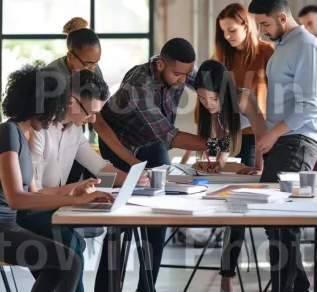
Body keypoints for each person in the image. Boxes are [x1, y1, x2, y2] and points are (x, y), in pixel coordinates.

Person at [0, 63, 115, 292]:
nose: (54, 115)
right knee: (70, 261)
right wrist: (75, 201)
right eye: (53, 108)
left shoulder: (20, 134)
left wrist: (74, 190)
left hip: (6, 227)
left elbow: (36, 193)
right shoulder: (6, 133)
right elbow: (17, 199)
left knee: (61, 263)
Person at [96, 38, 230, 292]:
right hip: (119, 147)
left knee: (158, 214)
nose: (183, 80)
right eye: (177, 74)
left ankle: (147, 287)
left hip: (152, 143)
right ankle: (105, 288)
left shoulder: (181, 70)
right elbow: (169, 135)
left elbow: (206, 84)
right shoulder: (139, 86)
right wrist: (217, 144)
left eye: (186, 74)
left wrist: (220, 104)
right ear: (160, 65)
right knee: (119, 221)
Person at [16, 70, 147, 292]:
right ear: (71, 102)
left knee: (71, 248)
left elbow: (100, 167)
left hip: (55, 207)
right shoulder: (39, 130)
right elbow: (34, 192)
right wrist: (74, 193)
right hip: (30, 212)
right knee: (71, 247)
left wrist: (135, 181)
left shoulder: (74, 131)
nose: (93, 119)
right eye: (91, 112)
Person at [252, 0, 317, 292]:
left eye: (265, 25)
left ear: (283, 17)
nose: (261, 31)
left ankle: (291, 287)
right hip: (283, 139)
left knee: (281, 220)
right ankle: (298, 286)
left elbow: (308, 107)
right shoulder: (282, 45)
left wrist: (271, 134)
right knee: (276, 221)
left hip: (298, 140)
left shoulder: (307, 47)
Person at [181, 3, 274, 169]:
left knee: (251, 181)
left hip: (256, 135)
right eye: (223, 31)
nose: (227, 36)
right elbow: (208, 103)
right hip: (226, 132)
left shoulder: (267, 53)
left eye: (231, 30)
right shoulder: (220, 57)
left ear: (246, 26)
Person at [47, 18, 141, 178]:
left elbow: (99, 121)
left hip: (73, 136)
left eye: (96, 63)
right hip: (50, 145)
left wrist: (134, 163)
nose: (92, 69)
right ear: (70, 56)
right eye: (88, 64)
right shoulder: (51, 78)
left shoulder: (92, 71)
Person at [188, 59, 266, 175]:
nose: (208, 105)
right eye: (202, 98)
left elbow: (261, 133)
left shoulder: (242, 100)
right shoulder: (212, 109)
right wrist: (219, 162)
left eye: (214, 99)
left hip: (274, 139)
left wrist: (258, 167)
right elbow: (225, 139)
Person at [298, 5, 317, 173]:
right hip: (313, 132)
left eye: (310, 23)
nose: (307, 29)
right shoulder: (307, 55)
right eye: (304, 26)